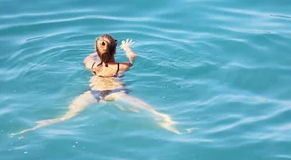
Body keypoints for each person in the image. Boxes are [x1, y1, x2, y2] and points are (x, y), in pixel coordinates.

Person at [11, 34, 180, 136]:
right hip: (117, 92)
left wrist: (97, 52)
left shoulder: (91, 65)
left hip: (92, 93)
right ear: (114, 51)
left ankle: (34, 127)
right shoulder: (121, 67)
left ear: (98, 52)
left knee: (64, 117)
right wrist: (126, 48)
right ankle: (168, 122)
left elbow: (90, 57)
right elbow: (132, 57)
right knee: (151, 111)